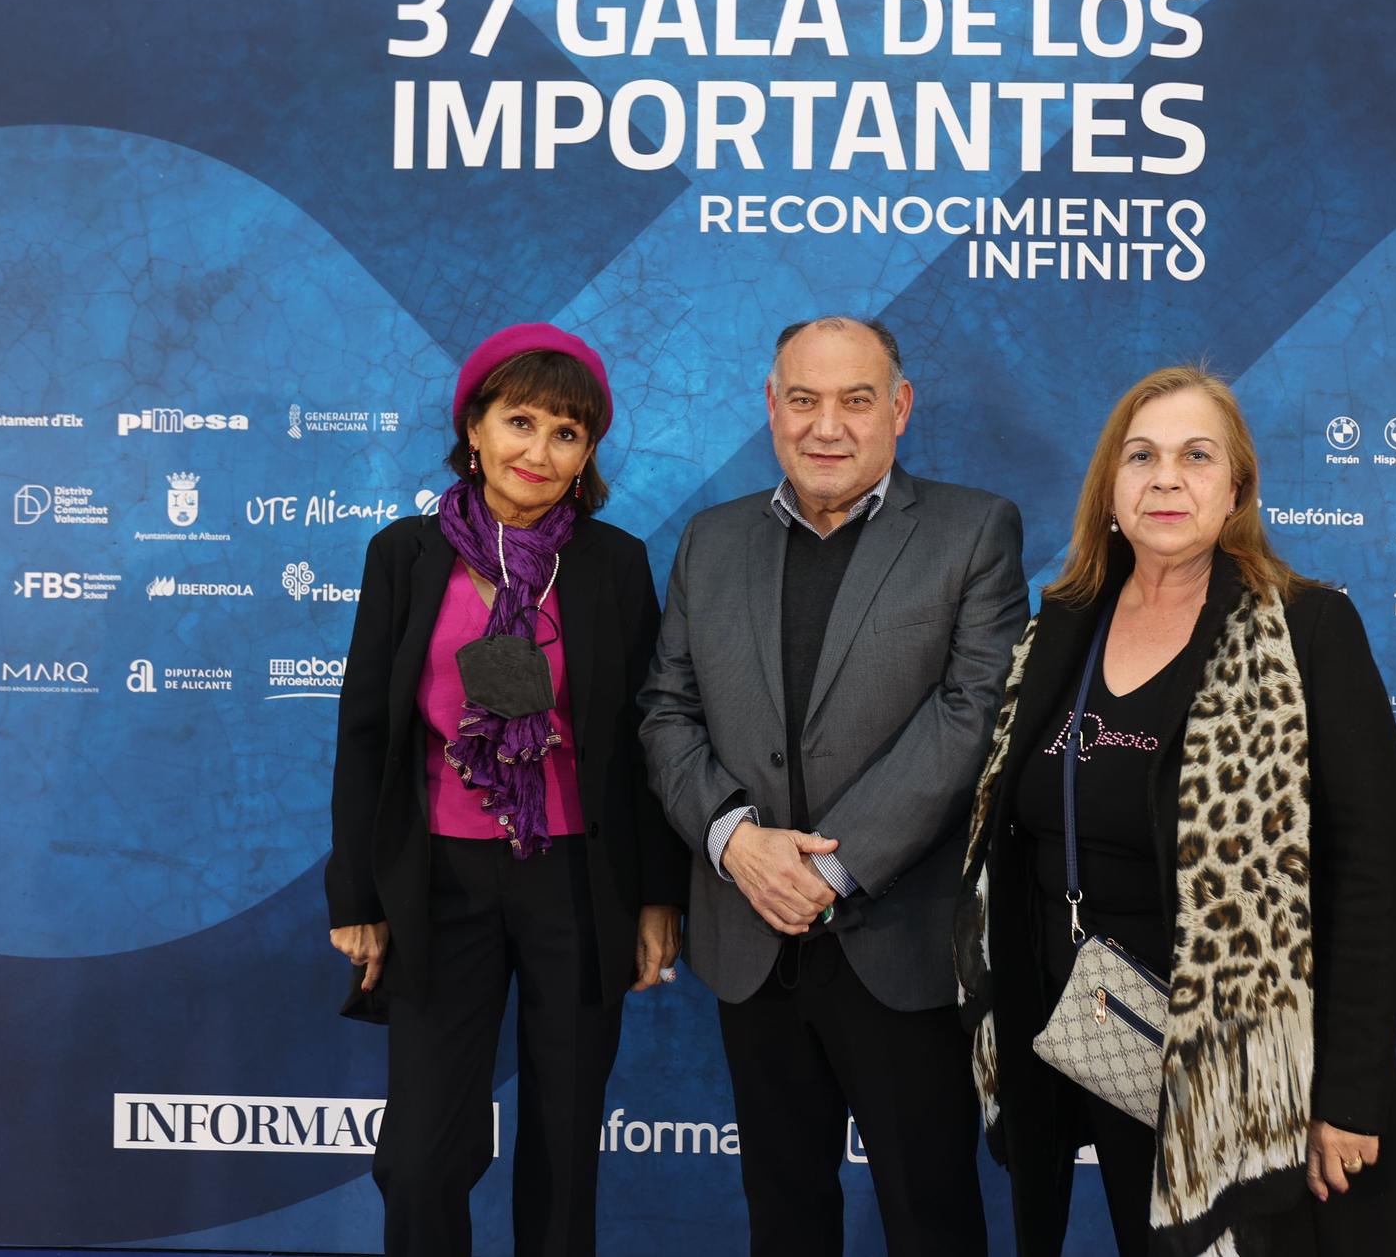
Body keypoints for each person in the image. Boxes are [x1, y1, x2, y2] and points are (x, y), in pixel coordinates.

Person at [955, 367, 1396, 1256]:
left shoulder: (1307, 629)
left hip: (1258, 1077)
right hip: (1106, 1046)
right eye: (1140, 456)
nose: (1166, 478)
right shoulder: (1063, 624)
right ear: (1110, 490)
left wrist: (1348, 1095)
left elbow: (1371, 871)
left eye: (1195, 456)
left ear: (1236, 489)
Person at [640, 315, 1029, 1256]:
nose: (828, 425)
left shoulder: (974, 530)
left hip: (898, 942)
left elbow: (973, 715)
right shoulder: (710, 540)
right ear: (770, 409)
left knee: (930, 1215)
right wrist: (735, 841)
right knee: (784, 1217)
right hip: (750, 941)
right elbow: (665, 711)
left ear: (899, 409)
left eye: (856, 400)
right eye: (804, 399)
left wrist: (831, 867)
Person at [325, 323, 689, 1257]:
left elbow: (641, 741)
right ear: (475, 430)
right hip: (437, 884)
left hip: (576, 880)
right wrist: (358, 894)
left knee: (566, 1150)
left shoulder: (612, 563)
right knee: (418, 1157)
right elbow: (367, 733)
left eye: (567, 433)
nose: (539, 450)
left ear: (588, 455)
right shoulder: (404, 555)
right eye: (520, 421)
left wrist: (657, 894)